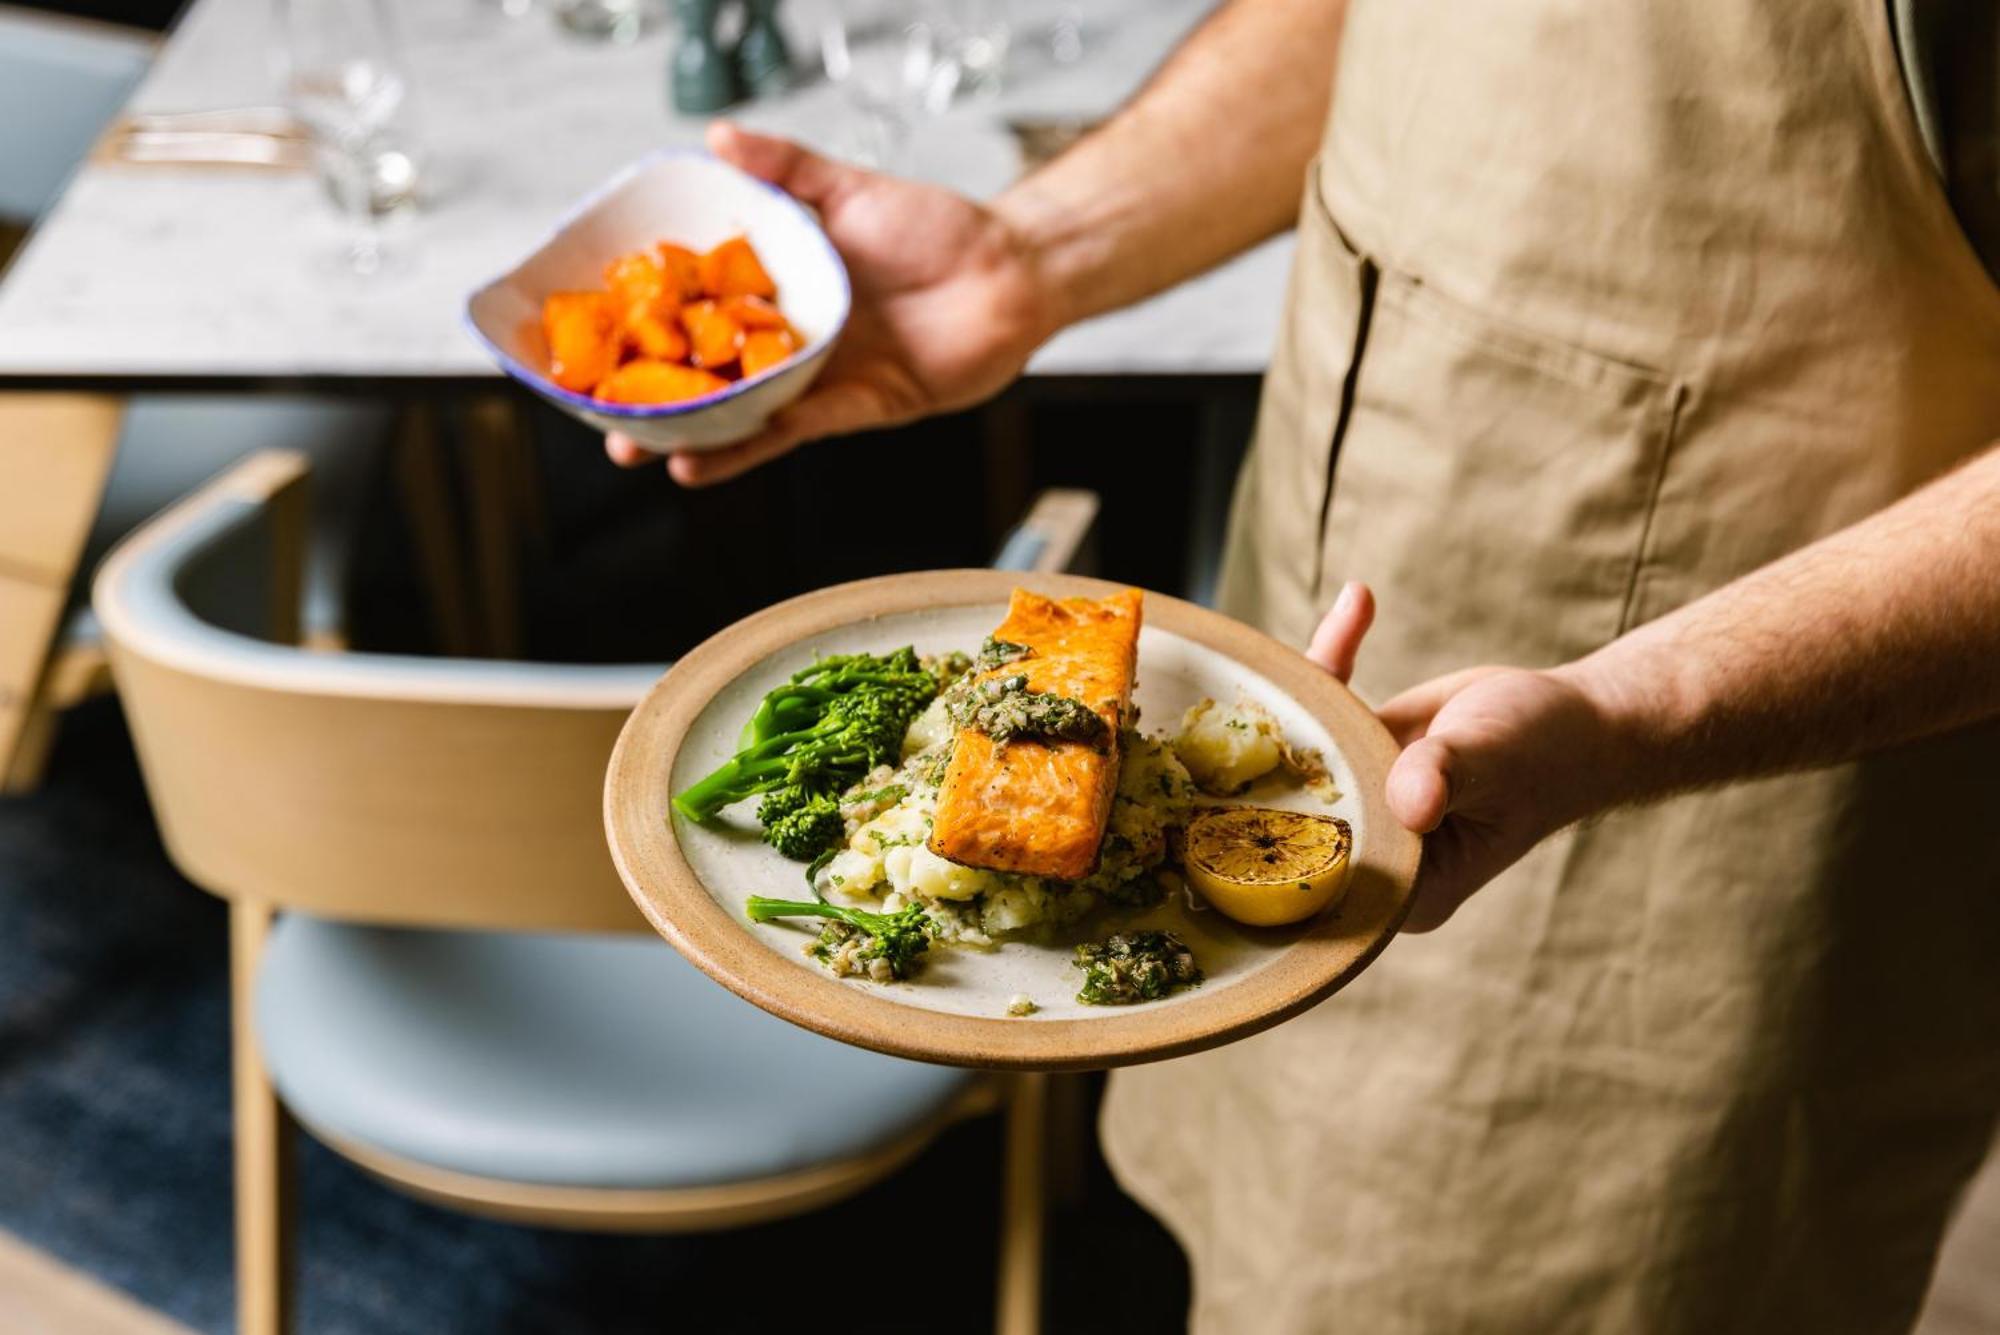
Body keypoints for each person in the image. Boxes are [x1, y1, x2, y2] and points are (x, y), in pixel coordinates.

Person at [611, 1, 2000, 1327]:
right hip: (1322, 597)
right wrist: (1041, 250)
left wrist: (1632, 710)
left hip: (1706, 796)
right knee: (1251, 1233)